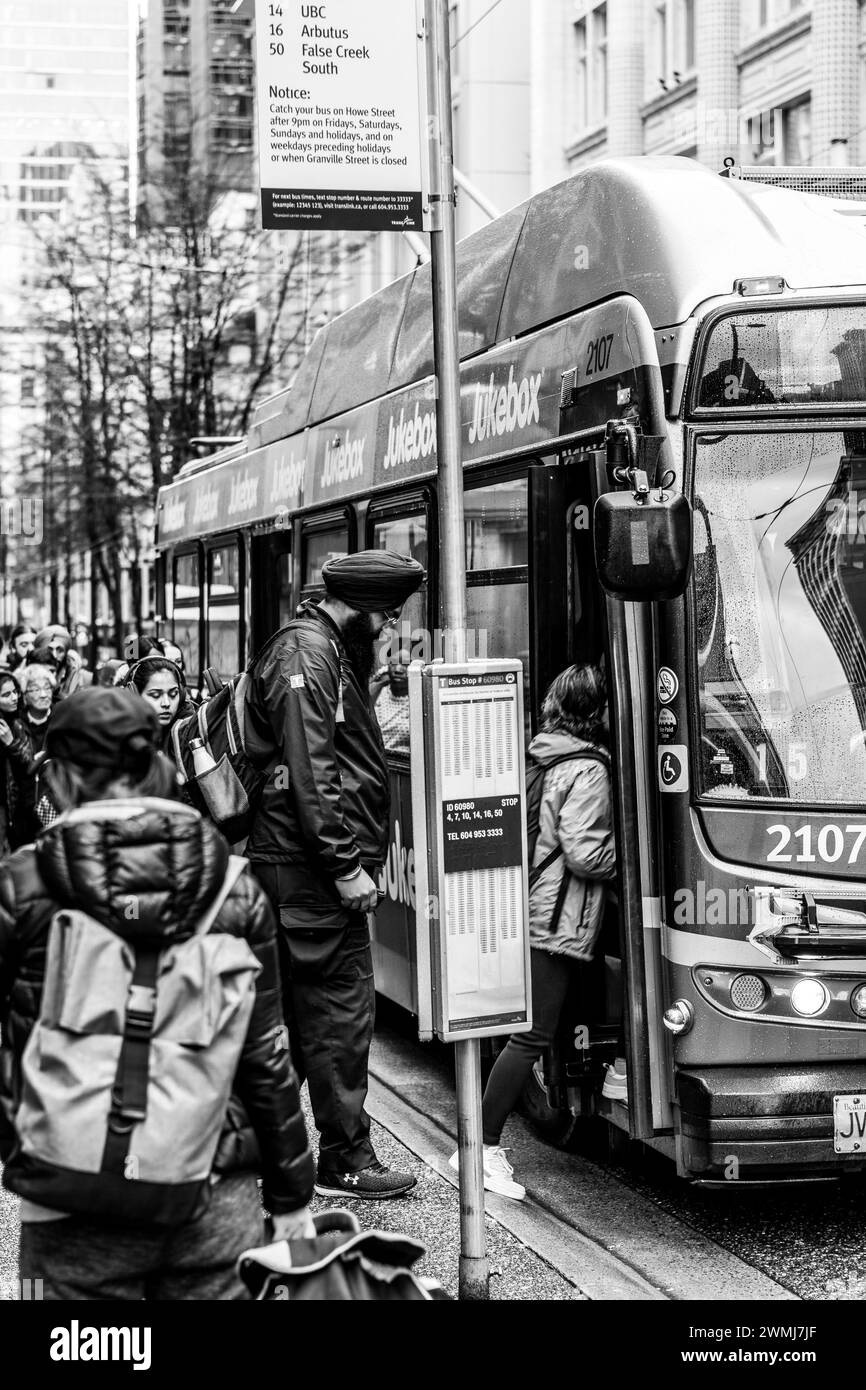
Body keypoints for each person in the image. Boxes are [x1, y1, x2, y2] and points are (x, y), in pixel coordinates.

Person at [0, 688, 316, 1300]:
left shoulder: (23, 886)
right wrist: (290, 1196)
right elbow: (267, 1058)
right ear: (157, 767)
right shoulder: (234, 888)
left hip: (71, 1200)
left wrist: (20, 1136)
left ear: (59, 778)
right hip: (213, 1193)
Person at [245, 550, 425, 1201]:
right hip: (312, 877)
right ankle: (345, 1160)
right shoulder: (308, 655)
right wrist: (346, 866)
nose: (389, 628)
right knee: (339, 1018)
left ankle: (254, 1149)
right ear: (363, 607)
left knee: (298, 1024)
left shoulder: (316, 649)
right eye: (387, 616)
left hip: (300, 872)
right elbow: (311, 770)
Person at [450, 662, 619, 1201]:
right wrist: (637, 862)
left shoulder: (538, 753)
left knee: (523, 1031)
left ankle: (482, 1144)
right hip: (553, 920)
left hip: (519, 909)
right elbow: (585, 852)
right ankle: (481, 1149)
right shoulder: (588, 770)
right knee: (531, 1037)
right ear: (598, 712)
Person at [126, 656, 196, 754]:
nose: (166, 703)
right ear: (135, 695)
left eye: (173, 694)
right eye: (155, 695)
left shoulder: (191, 730)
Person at [0, 674, 32, 854]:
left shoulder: (18, 723)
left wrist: (11, 743)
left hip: (14, 804)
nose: (14, 698)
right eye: (6, 695)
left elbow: (28, 762)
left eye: (15, 692)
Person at [30, 626, 92, 699]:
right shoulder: (28, 678)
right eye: (49, 650)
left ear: (66, 652)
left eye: (60, 650)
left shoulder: (84, 679)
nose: (54, 655)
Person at [371, 648, 411, 755]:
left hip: (405, 765)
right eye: (393, 663)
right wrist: (380, 680)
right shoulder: (379, 692)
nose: (398, 669)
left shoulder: (418, 699)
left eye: (405, 664)